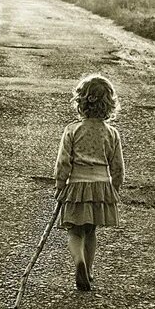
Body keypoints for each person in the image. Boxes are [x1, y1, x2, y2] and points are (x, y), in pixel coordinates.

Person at [54, 74, 125, 291]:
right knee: (91, 231)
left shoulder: (72, 130)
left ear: (80, 103)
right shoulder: (111, 133)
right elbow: (118, 167)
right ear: (109, 106)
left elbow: (63, 162)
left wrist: (60, 185)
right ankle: (90, 269)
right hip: (100, 186)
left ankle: (79, 262)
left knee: (75, 231)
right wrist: (114, 189)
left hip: (77, 185)